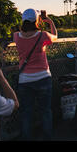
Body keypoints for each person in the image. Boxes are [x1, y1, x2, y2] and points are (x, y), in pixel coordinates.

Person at [14, 8, 58, 140]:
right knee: (45, 111)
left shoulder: (16, 36)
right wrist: (49, 21)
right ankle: (47, 137)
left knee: (26, 113)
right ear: (37, 20)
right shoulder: (42, 35)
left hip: (25, 80)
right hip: (43, 77)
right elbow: (55, 36)